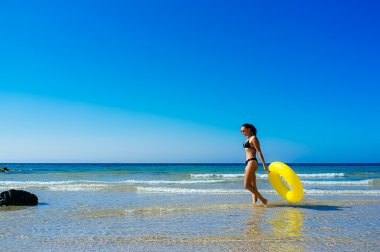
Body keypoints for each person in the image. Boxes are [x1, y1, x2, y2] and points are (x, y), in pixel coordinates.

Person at [241, 123, 269, 205]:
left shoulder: (253, 138)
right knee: (253, 186)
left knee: (246, 185)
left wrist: (264, 165)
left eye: (244, 130)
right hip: (248, 163)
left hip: (252, 161)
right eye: (241, 131)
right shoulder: (247, 139)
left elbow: (259, 151)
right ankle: (254, 204)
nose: (242, 132)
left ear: (249, 129)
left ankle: (264, 200)